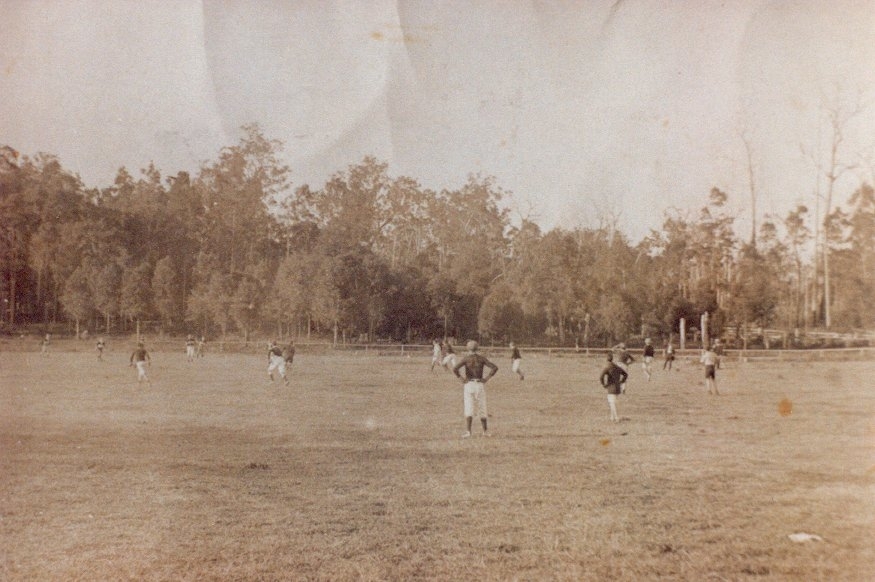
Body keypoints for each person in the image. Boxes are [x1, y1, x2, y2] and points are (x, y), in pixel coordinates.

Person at [452, 340, 498, 438]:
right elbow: (494, 368)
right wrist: (486, 379)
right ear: (477, 348)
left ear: (468, 349)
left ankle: (468, 431)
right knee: (482, 407)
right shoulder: (481, 358)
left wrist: (461, 379)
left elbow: (455, 369)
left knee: (469, 407)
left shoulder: (466, 359)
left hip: (469, 384)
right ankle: (485, 431)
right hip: (479, 384)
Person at [600, 352, 628, 423]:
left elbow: (601, 377)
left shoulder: (607, 367)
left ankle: (616, 418)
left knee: (612, 403)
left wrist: (604, 384)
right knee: (611, 402)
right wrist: (622, 381)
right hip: (618, 387)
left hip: (611, 387)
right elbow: (625, 374)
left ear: (606, 359)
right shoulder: (616, 366)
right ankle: (612, 417)